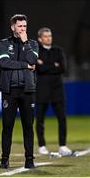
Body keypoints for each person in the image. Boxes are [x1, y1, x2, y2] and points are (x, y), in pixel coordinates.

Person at [0, 14, 38, 169]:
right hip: (10, 91)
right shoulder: (3, 43)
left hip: (28, 90)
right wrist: (25, 65)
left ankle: (29, 160)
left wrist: (25, 41)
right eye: (20, 26)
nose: (22, 29)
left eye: (25, 26)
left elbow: (33, 60)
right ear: (13, 27)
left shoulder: (32, 44)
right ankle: (5, 158)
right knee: (7, 126)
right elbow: (4, 62)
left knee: (28, 126)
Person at [36, 27, 72, 156]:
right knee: (40, 120)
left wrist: (45, 65)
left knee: (62, 118)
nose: (48, 38)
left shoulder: (58, 50)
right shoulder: (36, 51)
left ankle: (62, 145)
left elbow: (63, 68)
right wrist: (53, 65)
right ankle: (42, 145)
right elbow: (38, 69)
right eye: (45, 36)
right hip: (42, 90)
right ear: (40, 39)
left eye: (50, 35)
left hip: (57, 90)